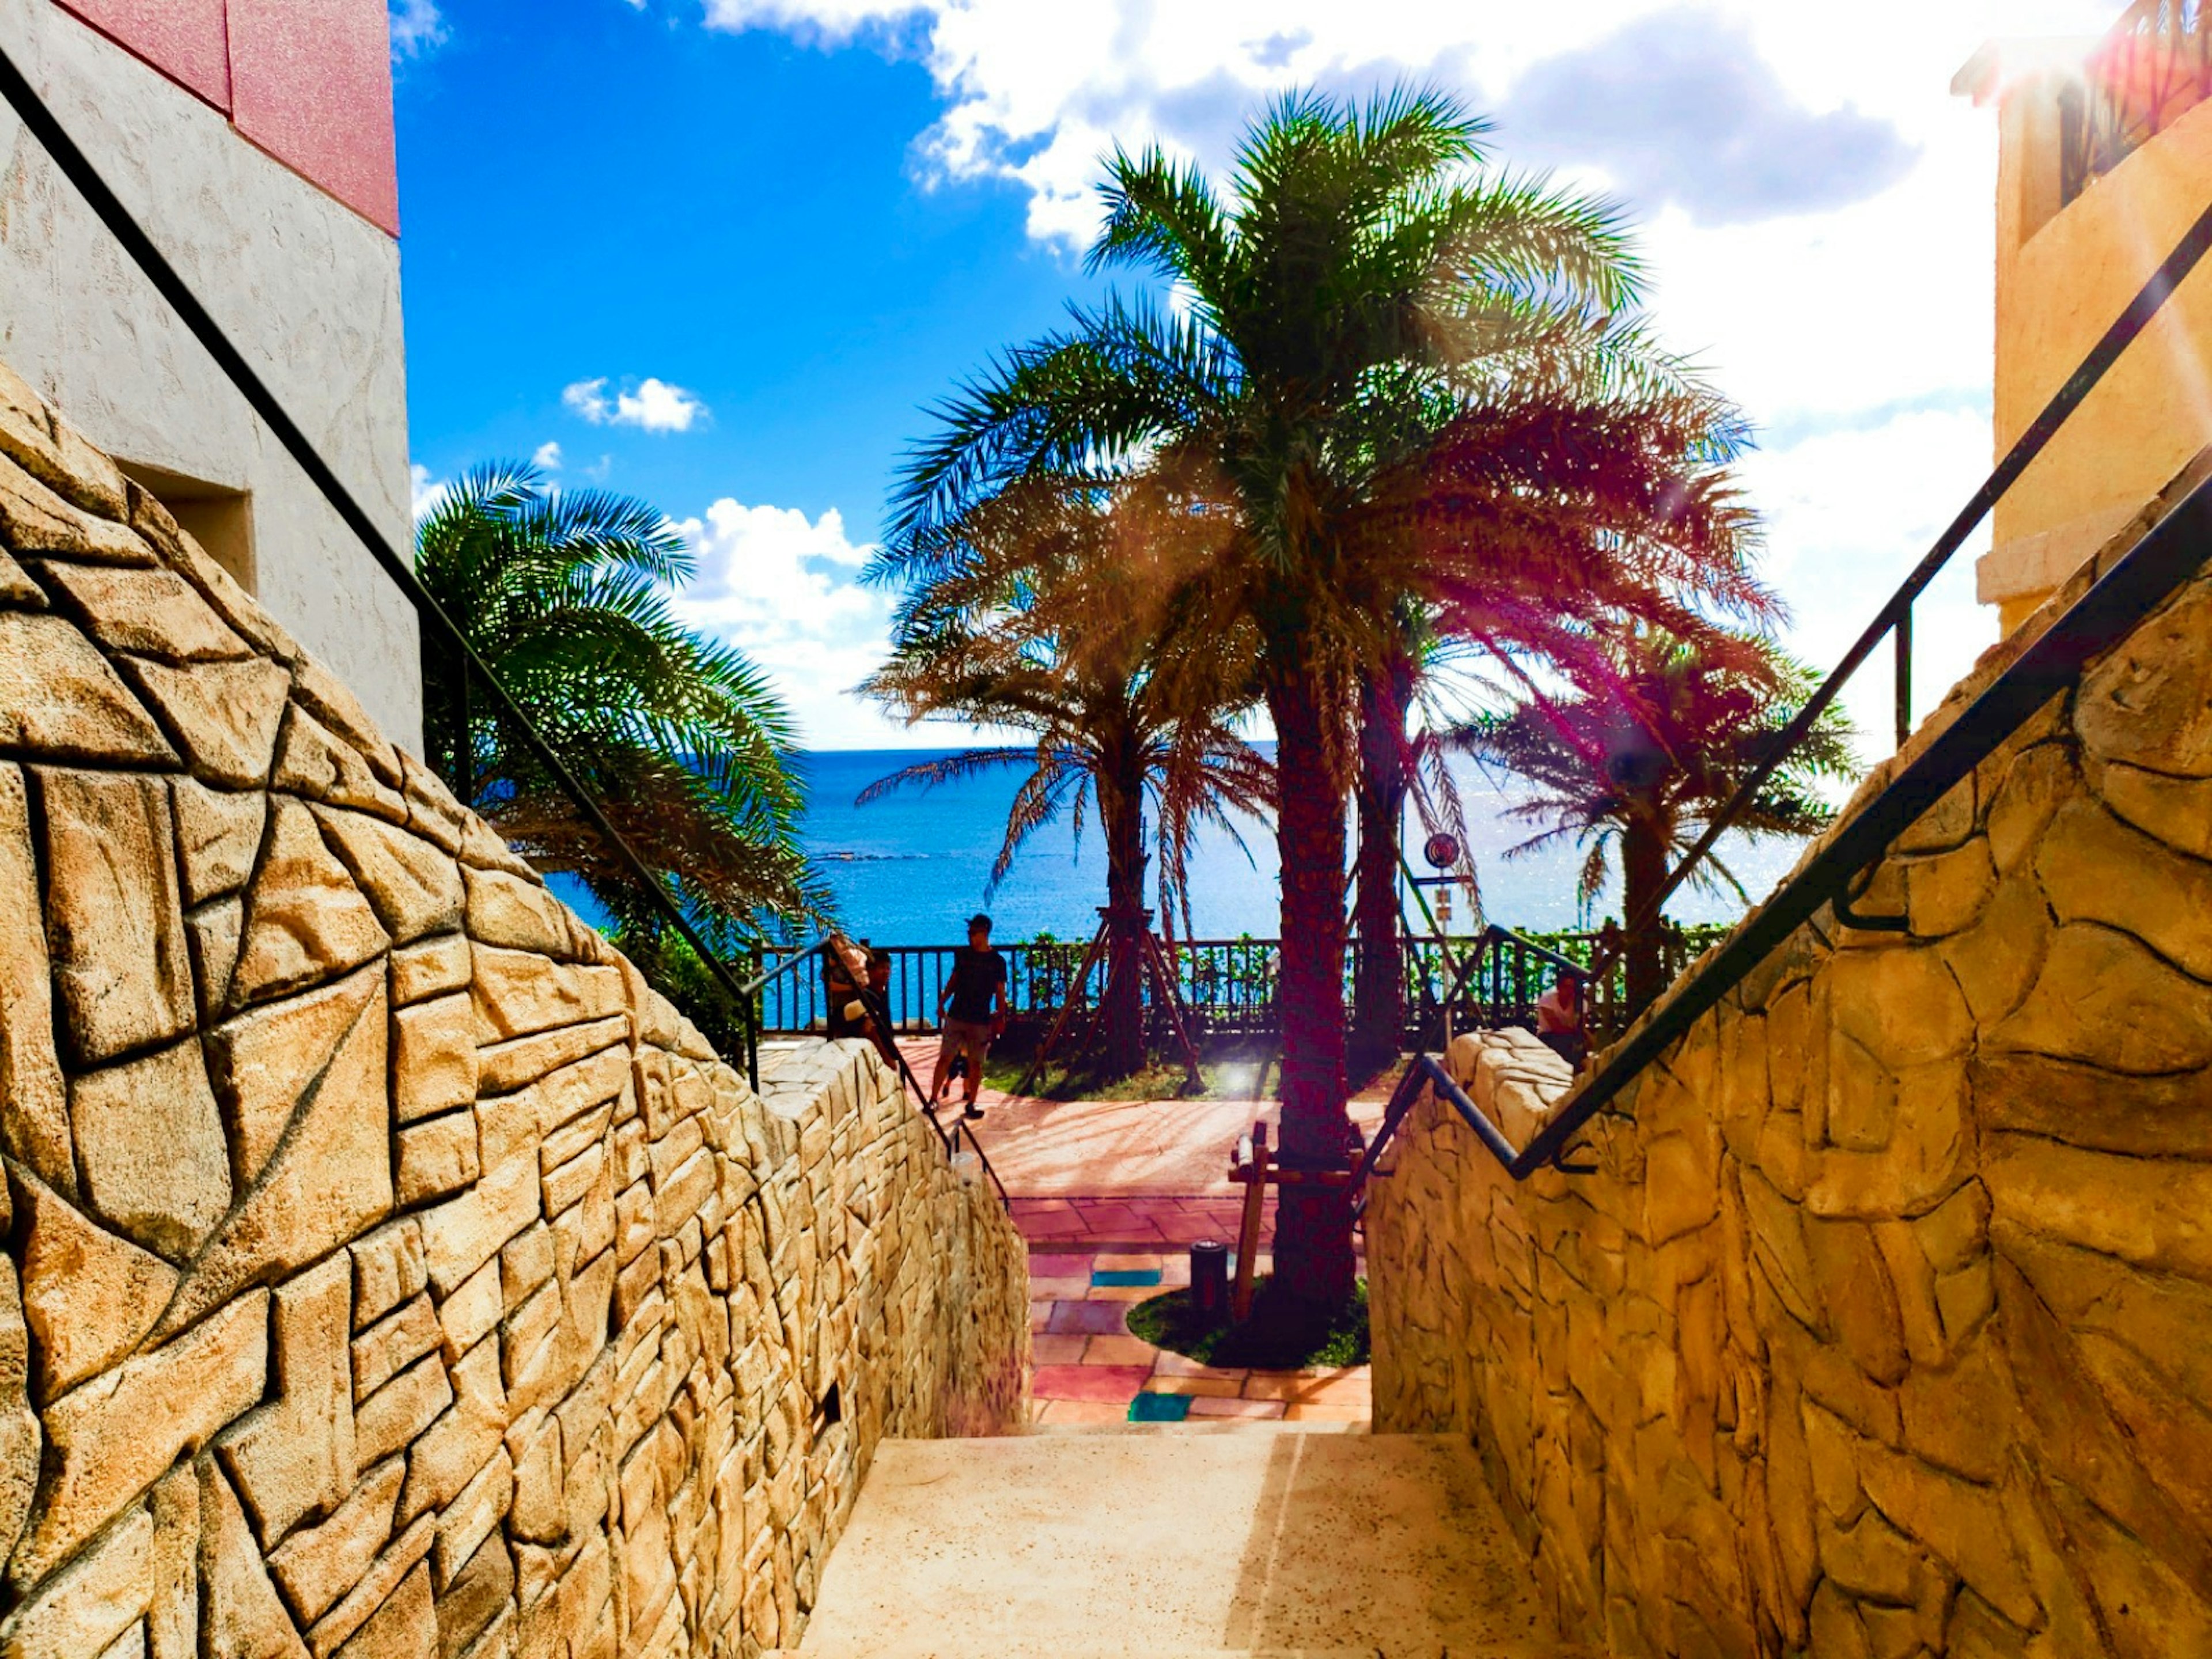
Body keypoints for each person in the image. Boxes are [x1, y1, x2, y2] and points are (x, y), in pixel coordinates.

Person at [934, 912, 1009, 1120]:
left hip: (980, 1019)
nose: (970, 937)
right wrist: (942, 1002)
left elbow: (1000, 991)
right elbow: (954, 980)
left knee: (976, 1064)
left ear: (984, 933)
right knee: (946, 1058)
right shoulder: (964, 955)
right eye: (970, 933)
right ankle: (933, 1099)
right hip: (957, 1014)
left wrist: (1001, 1016)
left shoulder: (997, 962)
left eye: (974, 933)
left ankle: (972, 1103)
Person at [1535, 970, 1588, 1068]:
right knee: (1566, 1044)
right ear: (1559, 987)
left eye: (1573, 988)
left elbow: (1581, 1026)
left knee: (1579, 1044)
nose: (1570, 991)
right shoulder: (1547, 1000)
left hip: (1571, 1037)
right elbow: (1556, 1027)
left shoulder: (1581, 1003)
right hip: (1549, 1036)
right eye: (1566, 987)